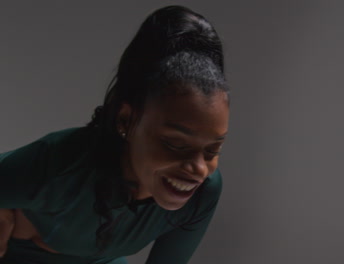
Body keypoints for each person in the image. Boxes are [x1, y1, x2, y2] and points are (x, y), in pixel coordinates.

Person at [0, 5, 229, 264]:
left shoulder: (203, 193)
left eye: (212, 149)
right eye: (175, 143)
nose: (198, 168)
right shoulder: (62, 166)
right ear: (126, 120)